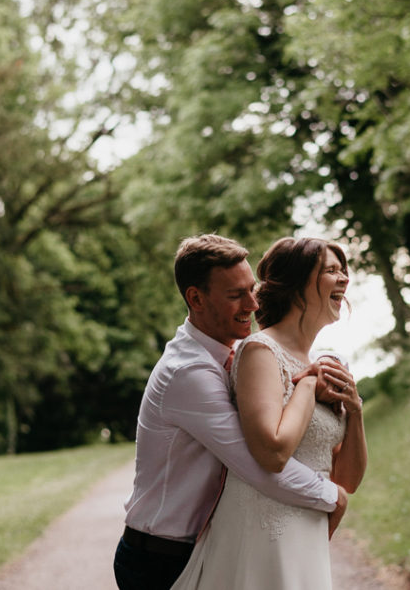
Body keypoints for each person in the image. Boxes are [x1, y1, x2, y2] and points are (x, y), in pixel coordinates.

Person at [113, 234, 354, 590]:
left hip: (210, 542)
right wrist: (333, 496)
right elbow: (258, 462)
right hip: (161, 560)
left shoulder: (241, 351)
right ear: (195, 298)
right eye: (235, 295)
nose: (254, 304)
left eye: (252, 289)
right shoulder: (189, 373)